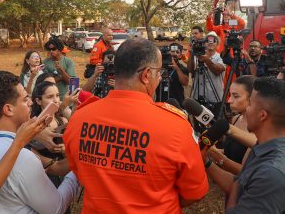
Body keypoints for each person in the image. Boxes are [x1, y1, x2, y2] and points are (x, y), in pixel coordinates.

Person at [64, 38, 208, 213]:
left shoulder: (79, 118)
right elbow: (193, 192)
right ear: (146, 75)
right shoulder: (176, 126)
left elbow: (79, 172)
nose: (161, 76)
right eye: (159, 71)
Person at [0, 73, 78, 214]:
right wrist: (75, 176)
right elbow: (56, 208)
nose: (30, 102)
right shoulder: (23, 158)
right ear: (8, 109)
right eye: (25, 99)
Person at [205, 77, 285, 213]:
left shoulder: (273, 174)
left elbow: (238, 186)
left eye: (250, 104)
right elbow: (241, 182)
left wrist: (236, 187)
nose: (246, 109)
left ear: (262, 115)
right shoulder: (265, 146)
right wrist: (205, 161)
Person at [208, 76, 256, 175]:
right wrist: (214, 150)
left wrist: (217, 155)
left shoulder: (258, 129)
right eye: (230, 95)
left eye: (236, 96)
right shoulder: (235, 119)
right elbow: (231, 152)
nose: (229, 100)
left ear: (252, 98)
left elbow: (246, 172)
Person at [188, 31, 226, 116]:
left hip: (214, 99)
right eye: (207, 40)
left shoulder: (221, 57)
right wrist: (191, 54)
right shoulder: (196, 56)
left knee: (214, 124)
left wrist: (206, 59)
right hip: (198, 98)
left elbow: (217, 71)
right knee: (198, 125)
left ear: (217, 44)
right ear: (204, 43)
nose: (210, 42)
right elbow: (190, 70)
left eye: (213, 40)